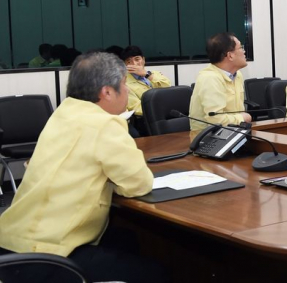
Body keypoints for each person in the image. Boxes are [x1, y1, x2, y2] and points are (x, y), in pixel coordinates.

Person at [0, 52, 167, 282]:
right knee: (155, 273)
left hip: (11, 242)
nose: (127, 91)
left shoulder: (63, 112)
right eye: (123, 85)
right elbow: (138, 185)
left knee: (126, 239)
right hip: (48, 256)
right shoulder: (105, 123)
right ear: (107, 91)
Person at [189, 33, 251, 137]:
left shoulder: (237, 75)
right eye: (241, 47)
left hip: (233, 133)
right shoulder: (210, 78)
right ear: (230, 55)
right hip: (208, 139)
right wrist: (243, 118)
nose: (244, 51)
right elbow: (215, 120)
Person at [122, 45, 172, 118]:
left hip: (169, 112)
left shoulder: (155, 74)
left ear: (143, 60)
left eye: (137, 59)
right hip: (149, 118)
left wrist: (147, 74)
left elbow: (168, 87)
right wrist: (161, 109)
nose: (134, 64)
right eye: (129, 61)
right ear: (125, 65)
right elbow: (136, 107)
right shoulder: (124, 83)